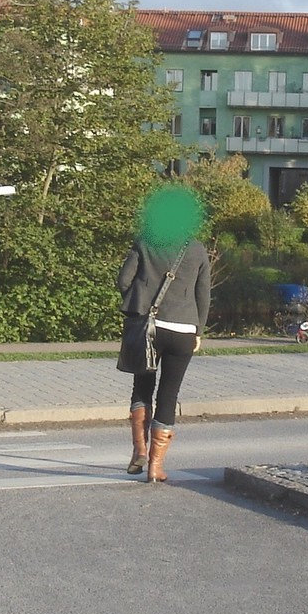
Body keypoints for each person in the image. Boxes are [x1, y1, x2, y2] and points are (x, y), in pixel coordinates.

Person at [117, 186, 212, 482]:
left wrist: (139, 302)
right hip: (183, 328)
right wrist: (198, 330)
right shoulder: (196, 248)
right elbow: (203, 295)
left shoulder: (146, 241)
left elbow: (123, 281)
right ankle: (156, 467)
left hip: (148, 327)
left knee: (142, 387)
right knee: (168, 395)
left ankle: (140, 451)